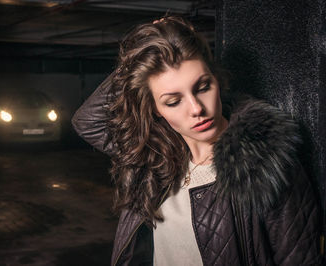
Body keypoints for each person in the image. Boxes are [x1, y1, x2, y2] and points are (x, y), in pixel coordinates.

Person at [71, 16, 321, 266]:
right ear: (156, 109)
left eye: (202, 87)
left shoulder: (266, 162)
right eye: (173, 101)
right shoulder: (157, 157)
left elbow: (299, 258)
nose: (196, 108)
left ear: (216, 80)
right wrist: (138, 58)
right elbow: (86, 122)